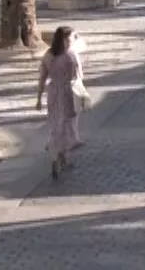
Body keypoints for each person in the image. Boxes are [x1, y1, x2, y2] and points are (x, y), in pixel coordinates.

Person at [36, 26, 86, 178]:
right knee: (68, 124)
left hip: (53, 93)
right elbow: (79, 76)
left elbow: (42, 78)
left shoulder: (47, 55)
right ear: (64, 40)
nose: (72, 41)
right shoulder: (71, 56)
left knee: (56, 123)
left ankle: (60, 156)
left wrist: (38, 98)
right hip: (68, 93)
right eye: (70, 39)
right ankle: (58, 157)